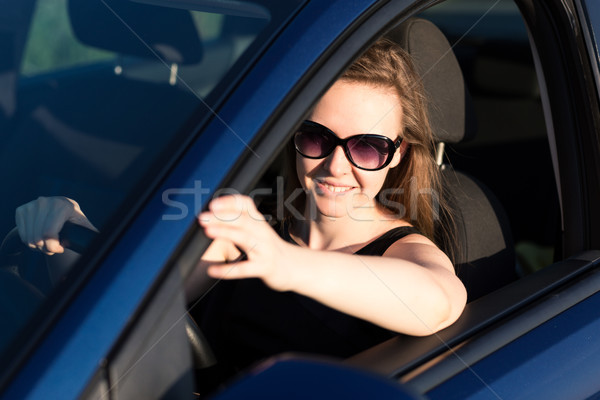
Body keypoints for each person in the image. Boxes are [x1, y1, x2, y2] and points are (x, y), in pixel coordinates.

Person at [15, 38, 466, 382]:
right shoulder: (247, 232)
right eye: (317, 138)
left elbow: (439, 301)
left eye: (367, 147)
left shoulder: (401, 250)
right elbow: (121, 312)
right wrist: (68, 233)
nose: (335, 165)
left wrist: (285, 262)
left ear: (400, 153)